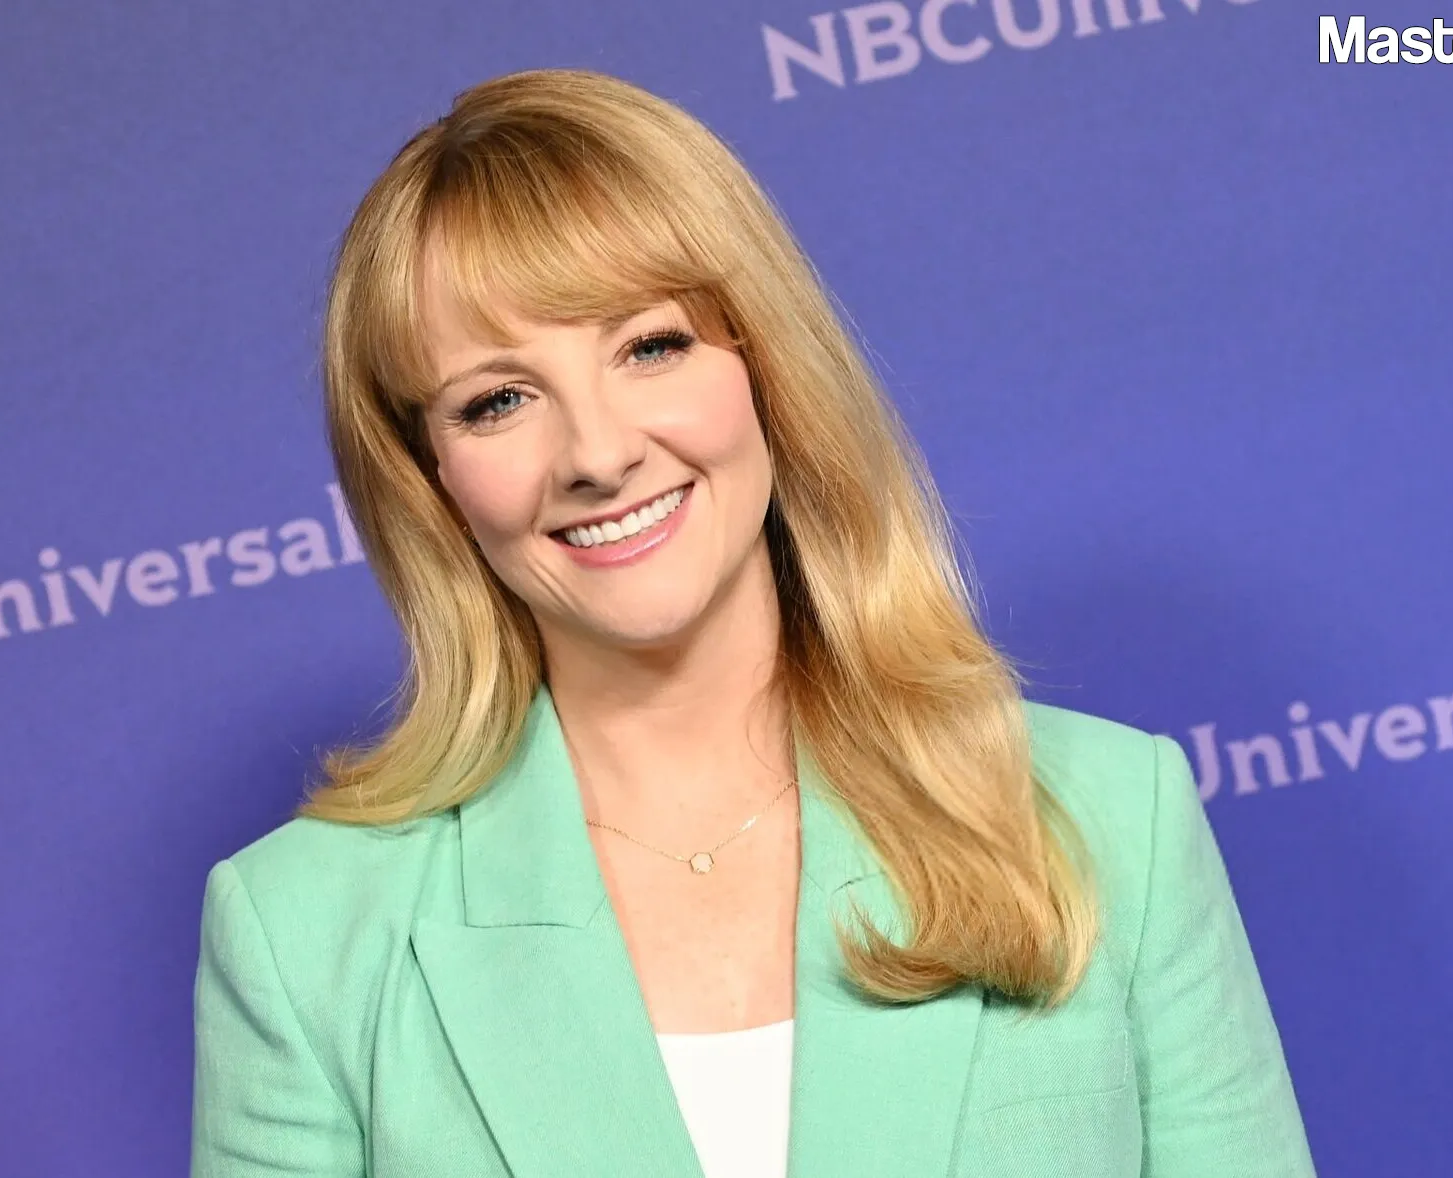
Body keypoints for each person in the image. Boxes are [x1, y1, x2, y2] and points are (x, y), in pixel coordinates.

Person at [190, 68, 1315, 1178]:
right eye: (498, 399)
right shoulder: (304, 933)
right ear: (427, 476)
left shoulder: (1113, 819)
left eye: (650, 345)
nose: (598, 453)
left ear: (764, 366)